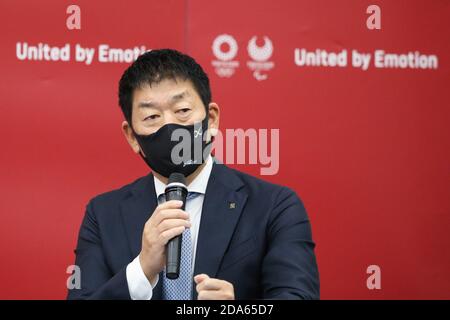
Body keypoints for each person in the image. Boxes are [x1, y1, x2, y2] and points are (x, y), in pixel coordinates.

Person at [67, 49, 320, 300]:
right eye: (152, 116)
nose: (170, 127)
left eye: (183, 111)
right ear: (132, 136)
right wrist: (141, 271)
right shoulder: (103, 215)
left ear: (211, 119)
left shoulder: (274, 206)